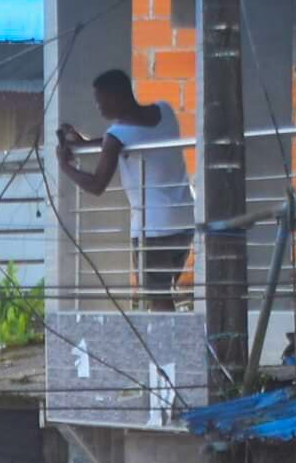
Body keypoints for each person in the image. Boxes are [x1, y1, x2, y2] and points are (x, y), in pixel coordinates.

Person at [57, 67, 195, 304]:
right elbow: (130, 138)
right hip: (184, 220)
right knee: (166, 291)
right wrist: (84, 144)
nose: (99, 107)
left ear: (117, 96)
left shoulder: (117, 135)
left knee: (157, 299)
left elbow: (97, 185)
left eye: (101, 100)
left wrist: (65, 166)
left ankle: (164, 330)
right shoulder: (165, 110)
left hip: (153, 228)